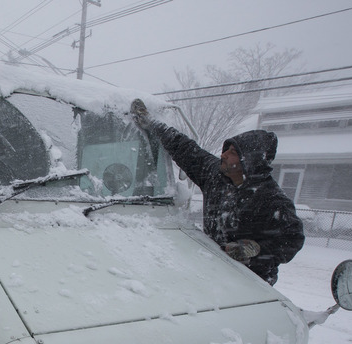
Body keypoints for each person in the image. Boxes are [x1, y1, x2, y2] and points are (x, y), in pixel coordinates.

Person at [130, 98, 304, 285]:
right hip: (213, 269)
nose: (223, 155)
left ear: (249, 161)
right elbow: (185, 148)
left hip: (251, 281)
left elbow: (292, 240)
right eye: (226, 150)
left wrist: (256, 249)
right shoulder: (215, 176)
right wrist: (153, 124)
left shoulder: (272, 200)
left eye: (232, 153)